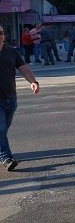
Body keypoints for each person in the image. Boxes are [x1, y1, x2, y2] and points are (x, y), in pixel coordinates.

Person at [0, 26, 40, 171]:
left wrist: (33, 82)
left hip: (11, 98)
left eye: (1, 33)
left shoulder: (11, 51)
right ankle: (6, 158)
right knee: (0, 129)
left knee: (3, 129)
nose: (0, 35)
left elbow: (23, 68)